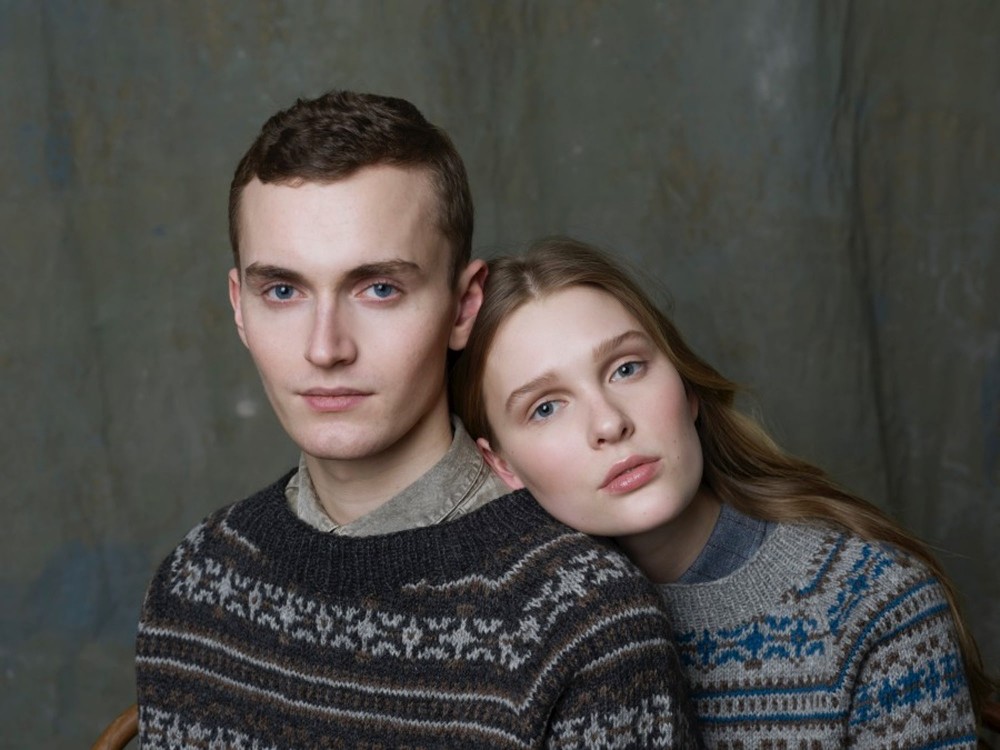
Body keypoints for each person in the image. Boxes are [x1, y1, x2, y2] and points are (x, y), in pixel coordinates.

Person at [134, 93, 702, 748]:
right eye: (283, 291)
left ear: (464, 306)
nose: (325, 348)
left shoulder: (583, 620)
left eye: (379, 288)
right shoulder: (195, 580)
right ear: (240, 306)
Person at [452, 236, 995, 748]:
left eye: (626, 368)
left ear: (685, 387)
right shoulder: (493, 640)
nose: (610, 423)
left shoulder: (874, 605)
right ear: (501, 463)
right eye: (546, 407)